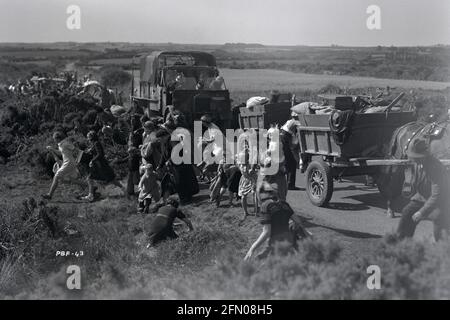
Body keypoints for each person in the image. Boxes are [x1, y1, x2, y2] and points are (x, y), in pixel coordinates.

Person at [397, 139, 450, 241]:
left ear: (425, 156)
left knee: (438, 220)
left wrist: (421, 212)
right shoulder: (418, 163)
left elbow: (437, 195)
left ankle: (443, 249)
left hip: (441, 202)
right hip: (422, 198)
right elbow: (419, 185)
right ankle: (403, 244)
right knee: (407, 212)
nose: (413, 159)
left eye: (416, 157)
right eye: (413, 156)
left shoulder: (435, 167)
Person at [244, 183, 310, 260]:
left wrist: (252, 248)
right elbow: (298, 221)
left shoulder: (265, 206)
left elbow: (267, 232)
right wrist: (305, 233)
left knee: (259, 262)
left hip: (274, 243)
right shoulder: (284, 203)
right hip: (288, 240)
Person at [82, 131, 124, 202]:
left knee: (110, 179)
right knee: (90, 178)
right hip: (98, 165)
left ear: (91, 137)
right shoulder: (94, 144)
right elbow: (97, 152)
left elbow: (100, 154)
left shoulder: (96, 143)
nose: (87, 138)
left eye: (88, 137)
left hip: (100, 165)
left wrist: (92, 160)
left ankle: (124, 189)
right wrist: (90, 151)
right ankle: (90, 195)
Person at [42, 131, 84, 200]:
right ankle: (91, 187)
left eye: (54, 139)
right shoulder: (61, 145)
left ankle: (49, 195)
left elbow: (75, 149)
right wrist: (52, 149)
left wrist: (79, 158)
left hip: (69, 163)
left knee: (56, 176)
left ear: (57, 138)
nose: (54, 140)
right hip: (68, 163)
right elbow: (61, 153)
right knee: (73, 180)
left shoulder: (65, 143)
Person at [280, 117, 301, 190]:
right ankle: (290, 185)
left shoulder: (290, 121)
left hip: (282, 138)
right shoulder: (296, 122)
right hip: (284, 139)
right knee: (292, 163)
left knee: (287, 162)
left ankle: (286, 183)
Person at [238, 151, 258, 219]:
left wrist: (252, 170)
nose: (241, 159)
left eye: (243, 158)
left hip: (253, 180)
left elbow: (255, 160)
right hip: (245, 180)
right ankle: (245, 212)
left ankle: (256, 211)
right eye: (241, 158)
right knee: (243, 196)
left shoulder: (250, 164)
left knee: (254, 195)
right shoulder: (240, 164)